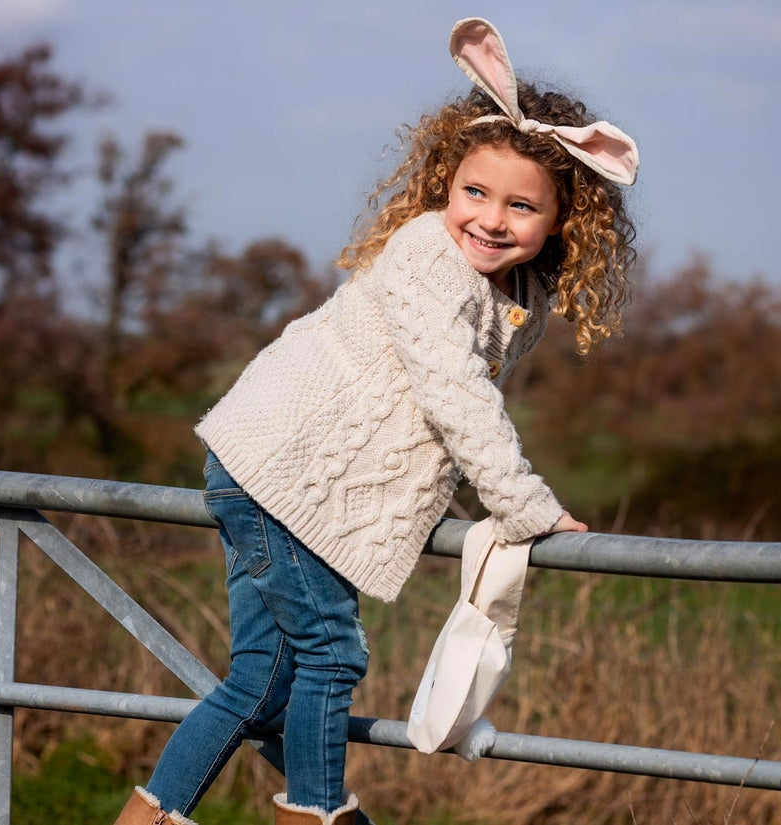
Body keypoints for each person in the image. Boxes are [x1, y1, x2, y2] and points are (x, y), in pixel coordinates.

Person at [111, 16, 638, 825]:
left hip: (278, 475)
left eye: (521, 206)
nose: (490, 219)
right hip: (281, 470)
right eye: (474, 192)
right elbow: (453, 393)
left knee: (259, 674)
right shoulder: (427, 254)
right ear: (443, 185)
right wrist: (522, 506)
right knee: (330, 652)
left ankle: (151, 817)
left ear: (563, 220)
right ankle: (315, 815)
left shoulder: (516, 298)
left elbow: (415, 425)